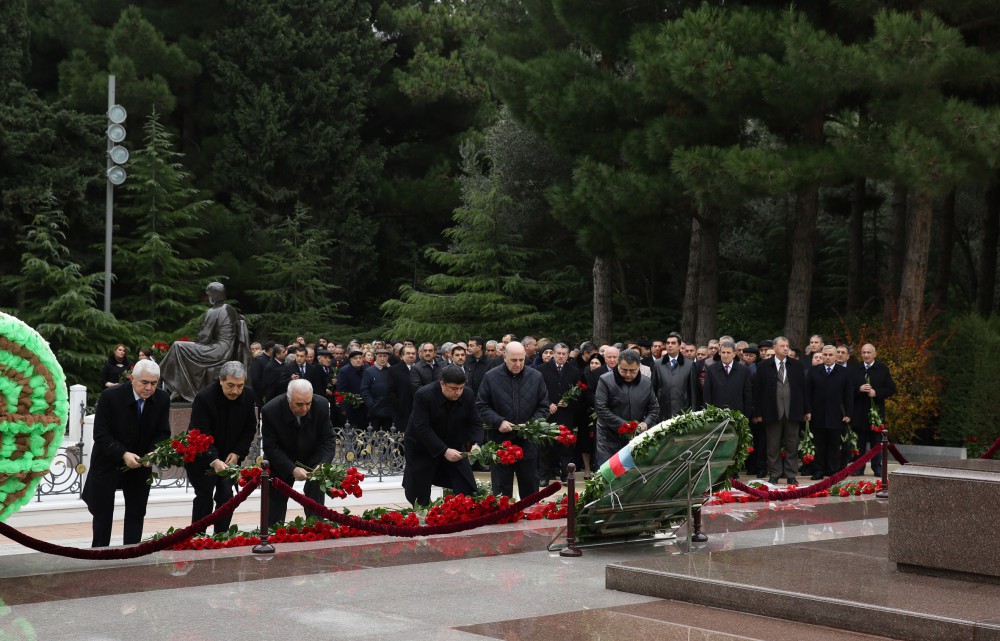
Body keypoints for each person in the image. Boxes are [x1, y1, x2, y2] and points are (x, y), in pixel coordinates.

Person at [83, 359, 171, 547]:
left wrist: (153, 453)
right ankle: (99, 555)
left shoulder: (162, 399)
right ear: (132, 378)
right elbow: (100, 434)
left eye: (154, 383)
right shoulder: (110, 396)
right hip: (108, 460)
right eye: (144, 382)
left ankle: (131, 555)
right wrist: (123, 454)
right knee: (102, 515)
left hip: (141, 463)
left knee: (136, 513)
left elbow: (163, 432)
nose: (149, 388)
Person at [185, 361, 258, 534]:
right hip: (203, 456)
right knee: (204, 496)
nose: (235, 391)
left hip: (230, 456)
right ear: (221, 381)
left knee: (226, 496)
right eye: (230, 385)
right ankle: (197, 535)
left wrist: (238, 452)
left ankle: (221, 536)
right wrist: (213, 459)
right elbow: (200, 432)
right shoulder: (204, 397)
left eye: (240, 386)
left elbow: (250, 428)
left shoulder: (248, 396)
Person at [476, 341, 549, 498]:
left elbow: (543, 407)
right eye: (514, 360)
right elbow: (482, 406)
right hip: (500, 441)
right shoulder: (491, 377)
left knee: (530, 486)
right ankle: (503, 518)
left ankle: (530, 517)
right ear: (504, 357)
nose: (518, 364)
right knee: (501, 488)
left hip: (527, 441)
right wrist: (498, 421)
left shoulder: (536, 377)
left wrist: (530, 425)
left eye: (521, 360)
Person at [402, 366, 484, 505]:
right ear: (442, 384)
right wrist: (443, 450)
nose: (458, 392)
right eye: (453, 388)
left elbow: (475, 422)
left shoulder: (468, 394)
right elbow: (422, 427)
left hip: (453, 442)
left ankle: (459, 513)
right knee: (418, 491)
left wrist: (476, 443)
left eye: (461, 388)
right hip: (422, 446)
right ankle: (424, 516)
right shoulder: (424, 394)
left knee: (465, 483)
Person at [159, 282, 251, 402]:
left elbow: (204, 338)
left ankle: (162, 376)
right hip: (227, 349)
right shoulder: (230, 309)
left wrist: (196, 341)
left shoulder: (214, 311)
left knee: (178, 346)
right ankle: (178, 388)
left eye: (209, 295)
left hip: (218, 350)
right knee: (181, 347)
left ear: (213, 295)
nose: (208, 298)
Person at [261, 379, 336, 525]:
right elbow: (270, 447)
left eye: (308, 403)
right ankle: (273, 535)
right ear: (288, 399)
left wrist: (322, 464)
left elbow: (328, 440)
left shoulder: (320, 405)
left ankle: (316, 530)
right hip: (281, 459)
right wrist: (291, 469)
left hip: (313, 456)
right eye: (299, 404)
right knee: (275, 506)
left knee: (316, 495)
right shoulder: (270, 410)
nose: (304, 408)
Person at [753, 337, 806, 485]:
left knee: (792, 444)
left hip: (792, 410)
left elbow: (803, 389)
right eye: (782, 346)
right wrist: (758, 413)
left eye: (787, 346)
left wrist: (806, 409)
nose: (785, 348)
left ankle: (791, 474)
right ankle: (775, 473)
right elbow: (758, 391)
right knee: (773, 445)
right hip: (772, 410)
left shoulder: (796, 365)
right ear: (775, 347)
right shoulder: (763, 366)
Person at [594, 349, 659, 467]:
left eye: (632, 371)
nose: (628, 375)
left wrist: (646, 423)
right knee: (608, 473)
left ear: (639, 367)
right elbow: (601, 408)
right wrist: (625, 425)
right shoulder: (605, 380)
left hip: (636, 436)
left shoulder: (646, 382)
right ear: (618, 365)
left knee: (633, 474)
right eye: (624, 370)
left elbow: (654, 408)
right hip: (609, 437)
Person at [805, 345, 854, 479]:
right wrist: (807, 410)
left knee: (834, 444)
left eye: (830, 355)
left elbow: (849, 395)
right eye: (824, 355)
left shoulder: (844, 372)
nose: (827, 357)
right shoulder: (814, 371)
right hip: (817, 414)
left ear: (835, 356)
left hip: (836, 414)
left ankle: (833, 470)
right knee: (819, 445)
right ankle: (819, 470)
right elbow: (807, 393)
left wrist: (848, 414)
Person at [538, 343, 581, 484]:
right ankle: (544, 475)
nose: (561, 356)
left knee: (565, 445)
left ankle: (565, 475)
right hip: (548, 413)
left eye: (564, 354)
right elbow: (539, 390)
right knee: (545, 445)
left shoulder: (574, 371)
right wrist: (548, 403)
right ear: (554, 354)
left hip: (565, 413)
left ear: (568, 355)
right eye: (558, 353)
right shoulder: (542, 370)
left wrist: (569, 402)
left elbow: (579, 392)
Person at [852, 343, 896, 476]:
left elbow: (891, 389)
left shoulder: (882, 369)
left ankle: (877, 467)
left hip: (875, 413)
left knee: (877, 441)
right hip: (859, 412)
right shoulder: (856, 369)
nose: (866, 355)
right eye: (863, 352)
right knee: (859, 442)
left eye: (868, 352)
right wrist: (858, 390)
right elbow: (848, 390)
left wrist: (876, 393)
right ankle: (859, 467)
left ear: (874, 354)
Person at [703, 341, 753, 418]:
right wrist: (709, 413)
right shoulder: (711, 370)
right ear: (719, 353)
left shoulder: (744, 370)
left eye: (728, 353)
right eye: (723, 352)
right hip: (716, 415)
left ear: (734, 354)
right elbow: (707, 393)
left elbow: (747, 394)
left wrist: (746, 415)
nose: (725, 355)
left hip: (738, 414)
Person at [650, 332, 694, 418]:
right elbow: (653, 389)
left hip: (683, 410)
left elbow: (692, 392)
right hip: (663, 410)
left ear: (679, 346)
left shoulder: (689, 365)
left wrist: (693, 412)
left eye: (673, 343)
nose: (670, 345)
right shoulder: (658, 364)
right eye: (668, 343)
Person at [361, 348, 393, 430]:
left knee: (389, 436)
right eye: (380, 356)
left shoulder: (392, 370)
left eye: (385, 356)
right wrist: (371, 404)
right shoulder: (369, 371)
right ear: (376, 357)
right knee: (373, 436)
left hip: (389, 410)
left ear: (388, 357)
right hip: (374, 410)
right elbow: (364, 389)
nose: (382, 358)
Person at [337, 349, 369, 429]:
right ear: (351, 360)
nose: (358, 360)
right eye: (355, 358)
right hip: (351, 408)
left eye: (360, 358)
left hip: (366, 407)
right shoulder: (344, 371)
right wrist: (343, 408)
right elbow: (340, 391)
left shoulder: (367, 369)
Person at [388, 344, 417, 431]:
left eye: (413, 353)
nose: (411, 355)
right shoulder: (394, 370)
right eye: (408, 353)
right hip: (401, 411)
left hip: (418, 409)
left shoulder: (420, 368)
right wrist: (399, 405)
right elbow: (390, 391)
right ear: (402, 356)